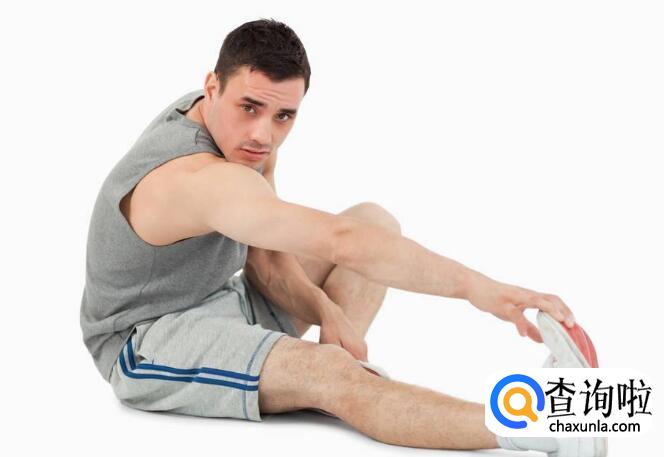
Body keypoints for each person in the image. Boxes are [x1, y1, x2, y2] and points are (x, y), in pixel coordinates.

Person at [79, 18, 605, 457]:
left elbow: (267, 261)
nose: (264, 133)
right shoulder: (199, 180)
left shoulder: (237, 131)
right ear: (212, 86)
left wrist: (328, 313)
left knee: (376, 219)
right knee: (333, 370)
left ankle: (330, 384)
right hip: (146, 343)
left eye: (284, 116)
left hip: (222, 300)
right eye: (250, 108)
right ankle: (540, 425)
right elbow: (340, 241)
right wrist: (482, 289)